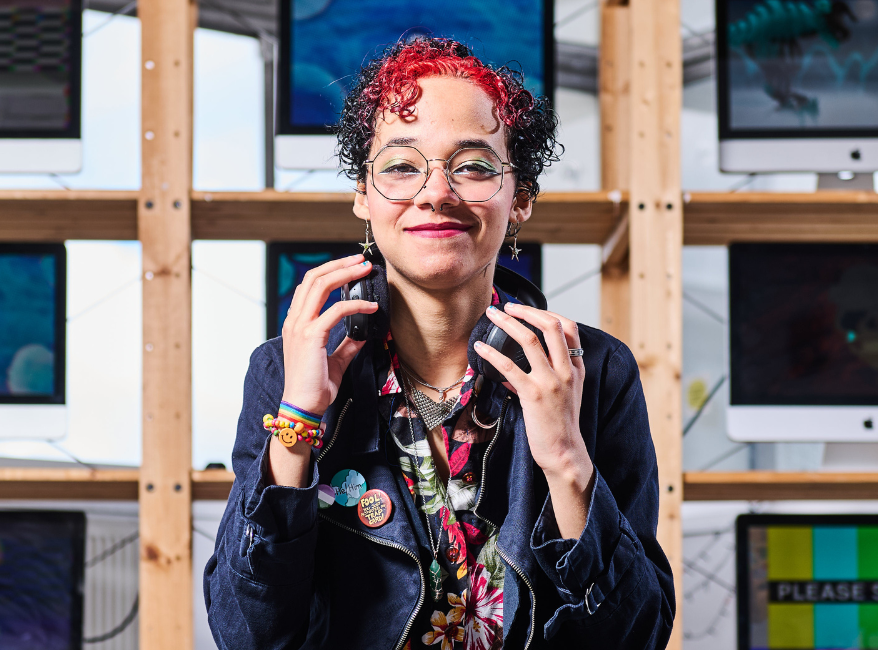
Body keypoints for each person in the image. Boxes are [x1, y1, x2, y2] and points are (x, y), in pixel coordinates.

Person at [204, 37, 674, 650]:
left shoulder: (594, 370)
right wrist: (298, 423)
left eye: (474, 166)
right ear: (362, 196)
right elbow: (248, 634)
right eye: (401, 166)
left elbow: (635, 637)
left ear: (521, 196)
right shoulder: (289, 368)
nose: (435, 192)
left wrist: (565, 462)